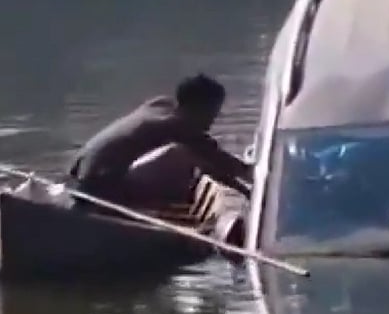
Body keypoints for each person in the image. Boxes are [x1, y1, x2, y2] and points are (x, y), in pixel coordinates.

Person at [67, 74, 252, 212]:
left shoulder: (158, 106)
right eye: (213, 112)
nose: (214, 119)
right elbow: (218, 161)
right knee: (179, 157)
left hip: (77, 178)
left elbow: (212, 162)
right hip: (99, 190)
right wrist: (251, 188)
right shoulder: (177, 125)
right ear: (197, 107)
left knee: (189, 159)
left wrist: (242, 189)